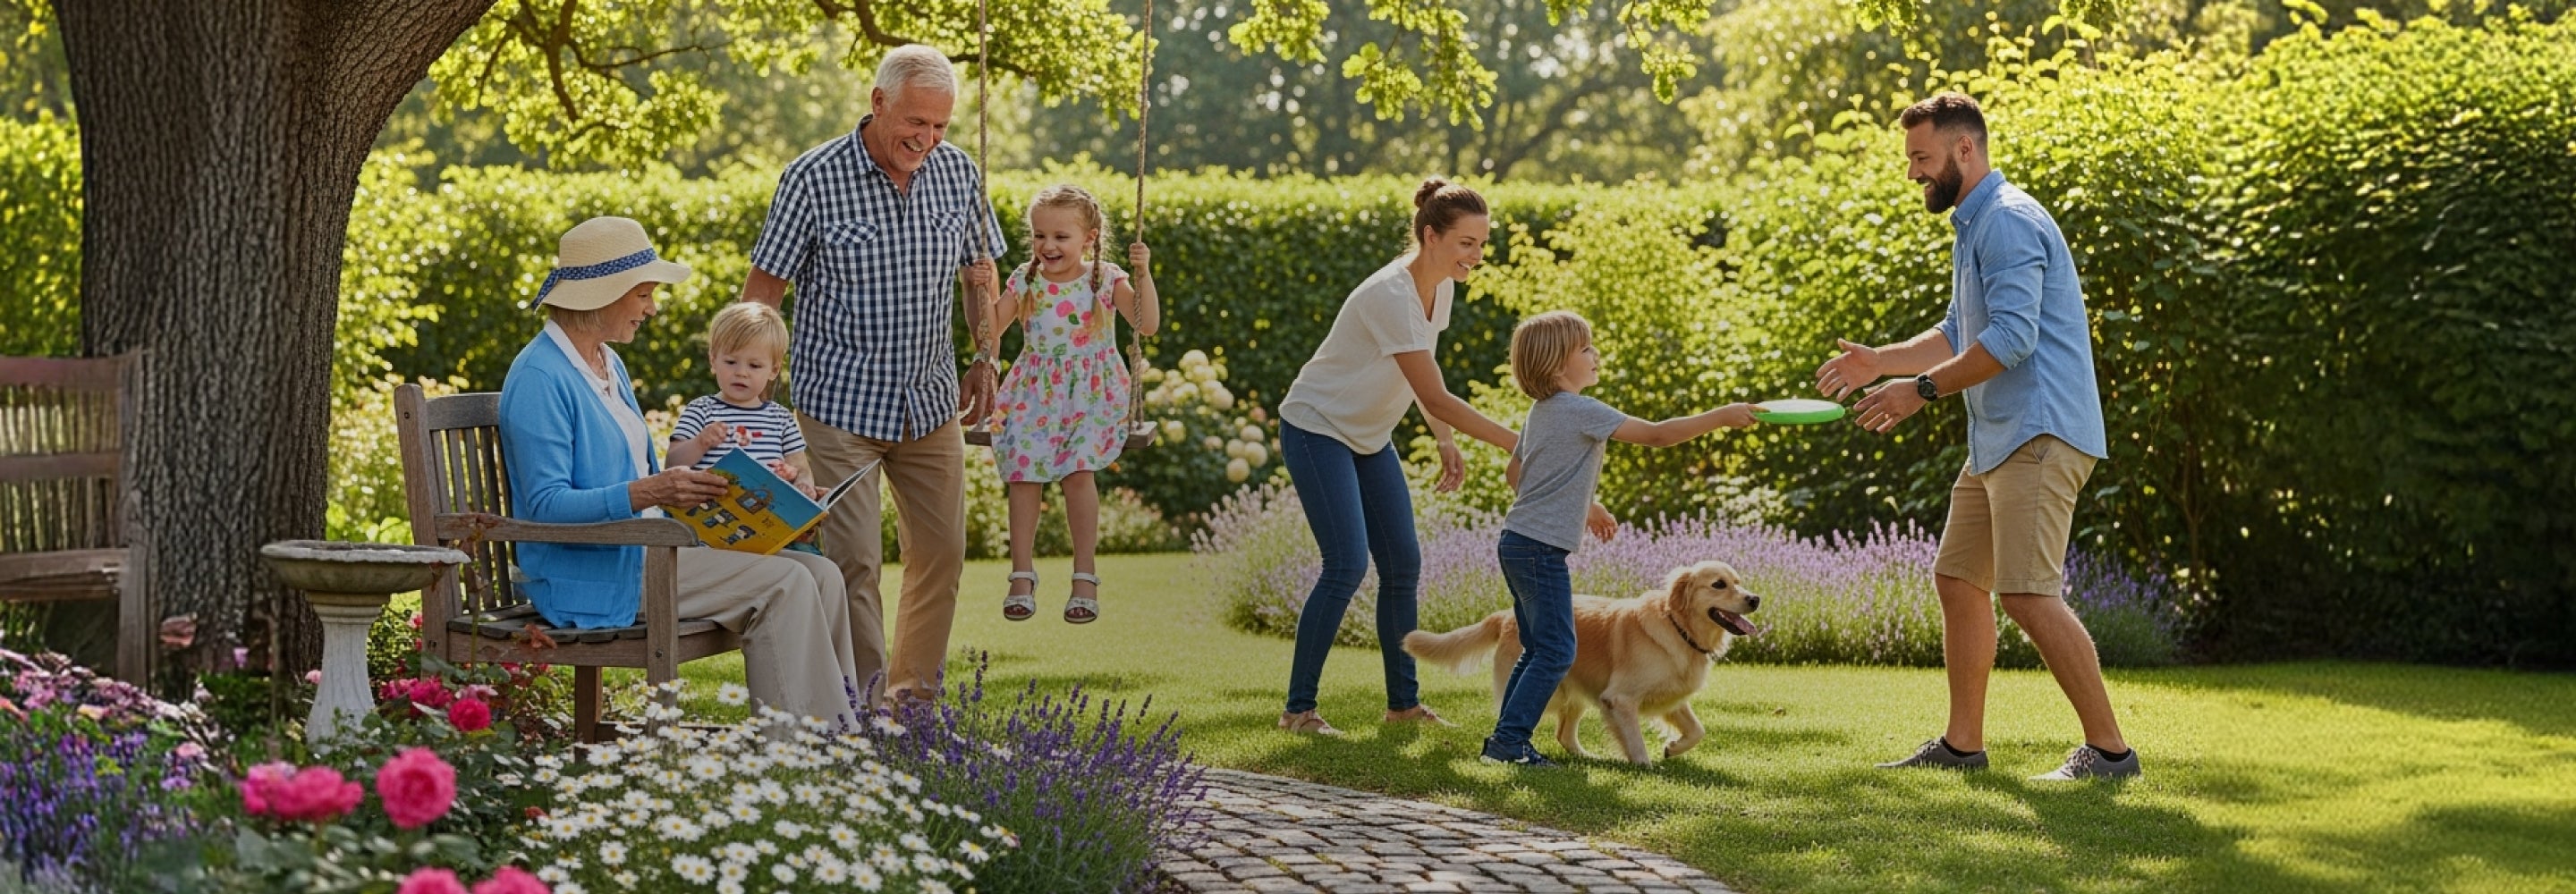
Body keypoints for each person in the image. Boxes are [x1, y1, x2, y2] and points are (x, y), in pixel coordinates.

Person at [1817, 92, 2136, 780]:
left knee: (2027, 594)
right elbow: (1959, 331)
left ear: (1965, 149)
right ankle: (1963, 746)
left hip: (2038, 432)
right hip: (1999, 438)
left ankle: (2111, 752)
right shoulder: (1976, 223)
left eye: (1922, 157)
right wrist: (1881, 361)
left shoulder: (2008, 220)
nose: (1913, 173)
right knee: (1959, 579)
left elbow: (2013, 339)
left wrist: (1919, 390)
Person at [497, 215, 860, 728]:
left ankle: (843, 730)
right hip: (600, 573)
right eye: (644, 294)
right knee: (787, 583)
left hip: (648, 550)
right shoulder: (541, 376)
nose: (652, 308)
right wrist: (653, 491)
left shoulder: (605, 363)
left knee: (822, 574)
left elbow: (650, 482)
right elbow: (544, 505)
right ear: (605, 293)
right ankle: (798, 747)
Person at [738, 45, 1005, 704]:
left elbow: (980, 275)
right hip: (840, 406)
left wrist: (985, 355)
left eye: (940, 125)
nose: (927, 139)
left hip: (930, 401)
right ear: (878, 102)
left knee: (942, 553)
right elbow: (763, 290)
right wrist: (752, 391)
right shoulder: (813, 177)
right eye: (916, 121)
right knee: (854, 560)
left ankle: (911, 707)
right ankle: (861, 707)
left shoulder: (959, 173)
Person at [1273, 177, 1543, 737]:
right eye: (1466, 243)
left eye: (1482, 243)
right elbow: (1439, 395)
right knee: (1346, 564)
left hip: (1369, 437)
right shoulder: (1390, 295)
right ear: (1431, 236)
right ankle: (1298, 710)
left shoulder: (1439, 288)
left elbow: (1424, 378)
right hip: (1317, 427)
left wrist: (1444, 438)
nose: (1477, 255)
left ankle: (1403, 705)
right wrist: (1517, 443)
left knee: (1402, 564)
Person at [1479, 311, 1758, 766]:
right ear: (1556, 365)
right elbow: (1657, 435)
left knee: (1539, 649)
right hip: (1539, 550)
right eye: (1585, 348)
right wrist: (1721, 416)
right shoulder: (1580, 410)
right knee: (1557, 650)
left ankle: (1504, 741)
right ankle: (1509, 743)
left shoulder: (1541, 413)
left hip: (1517, 542)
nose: (1596, 355)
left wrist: (1584, 505)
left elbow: (1517, 473)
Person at [975, 185, 1160, 624]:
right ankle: (1022, 574)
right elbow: (991, 330)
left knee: (1079, 473)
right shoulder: (1026, 278)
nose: (1048, 245)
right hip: (1034, 391)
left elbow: (1147, 324)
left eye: (1061, 236)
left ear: (1089, 238)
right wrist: (983, 288)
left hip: (1092, 393)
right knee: (1023, 475)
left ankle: (1084, 576)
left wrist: (1143, 274)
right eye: (1039, 235)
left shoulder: (1106, 278)